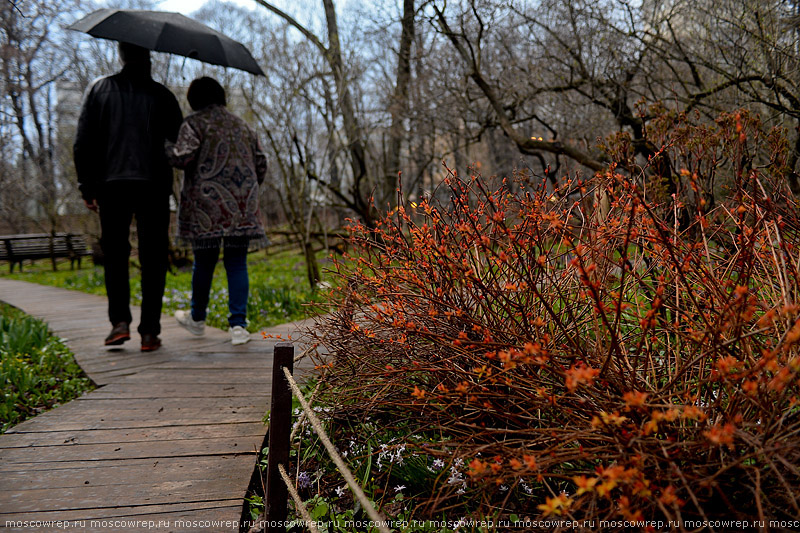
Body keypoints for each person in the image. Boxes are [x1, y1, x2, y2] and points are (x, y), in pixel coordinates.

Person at [73, 42, 183, 352]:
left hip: (112, 185)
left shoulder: (99, 90)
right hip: (153, 186)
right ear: (148, 56)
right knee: (153, 257)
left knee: (115, 255)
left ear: (121, 56)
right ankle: (149, 332)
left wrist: (87, 187)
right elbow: (180, 144)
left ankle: (119, 323)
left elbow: (83, 143)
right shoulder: (163, 95)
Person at [166, 77, 268, 345]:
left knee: (204, 263)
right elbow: (261, 164)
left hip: (206, 208)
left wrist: (165, 144)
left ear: (193, 99)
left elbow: (182, 157)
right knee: (237, 263)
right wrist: (245, 191)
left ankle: (197, 320)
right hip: (242, 207)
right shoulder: (242, 126)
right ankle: (238, 326)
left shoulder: (194, 124)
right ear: (221, 96)